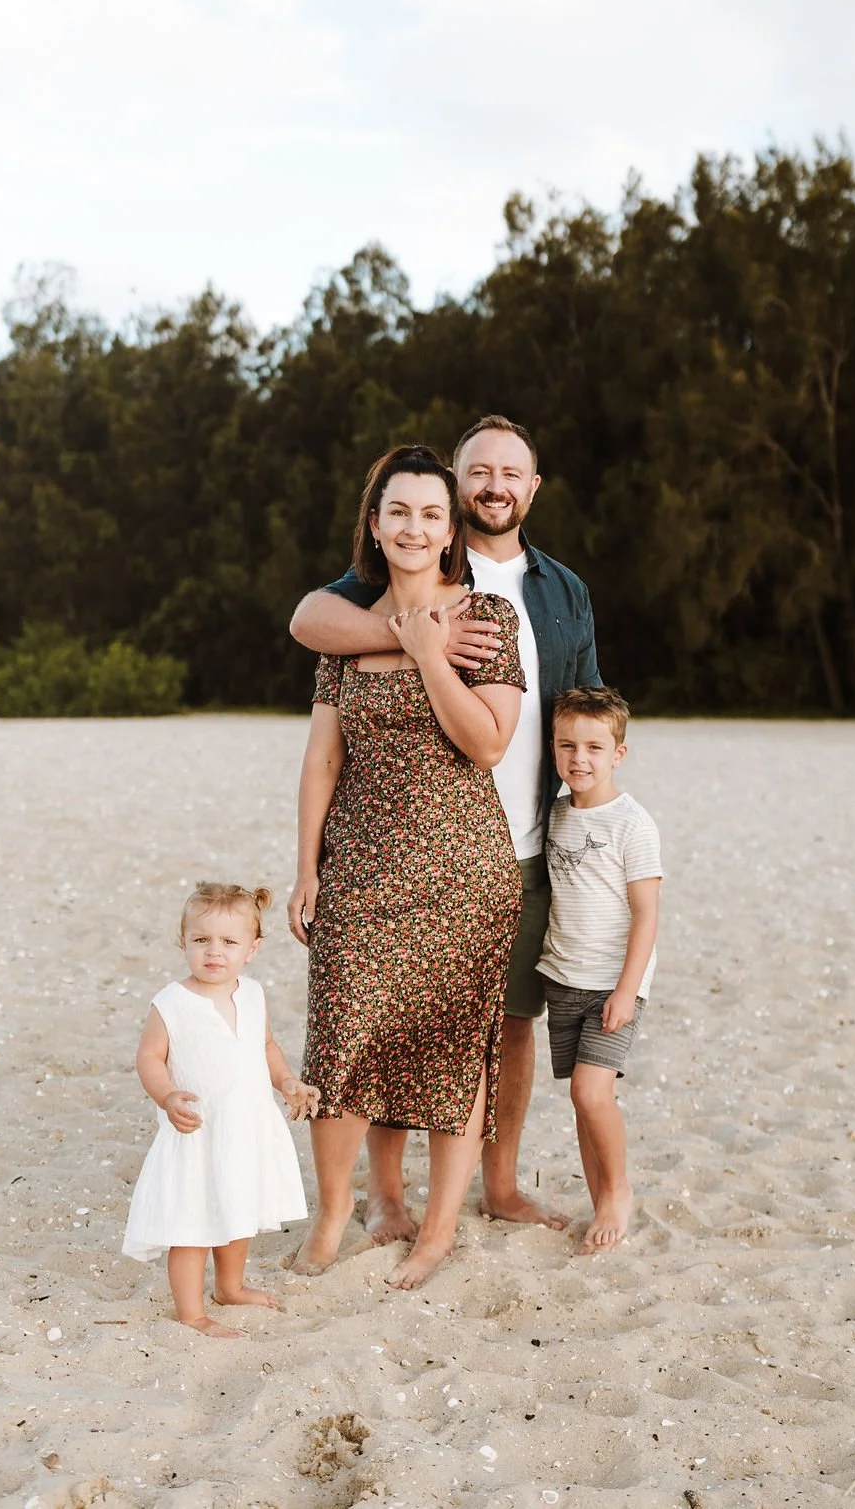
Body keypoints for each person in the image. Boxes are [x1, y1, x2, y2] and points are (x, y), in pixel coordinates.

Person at [289, 414, 601, 1239]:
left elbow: (581, 704)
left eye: (513, 472)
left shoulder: (561, 591)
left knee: (507, 1021)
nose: (495, 484)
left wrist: (604, 815)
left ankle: (499, 1185)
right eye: (480, 471)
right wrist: (415, 637)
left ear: (533, 487)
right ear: (455, 489)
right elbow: (308, 623)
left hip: (520, 839)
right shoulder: (381, 583)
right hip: (385, 847)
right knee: (391, 1017)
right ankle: (386, 1194)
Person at [288, 444, 525, 1290]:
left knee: (452, 1047)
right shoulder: (346, 625)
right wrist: (307, 864)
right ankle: (330, 1220)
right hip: (357, 863)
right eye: (400, 512)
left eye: (432, 513)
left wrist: (431, 655)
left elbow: (489, 742)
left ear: (451, 526)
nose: (416, 527)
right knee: (341, 1041)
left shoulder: (488, 621)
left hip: (463, 870)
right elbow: (321, 758)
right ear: (377, 524)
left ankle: (436, 1233)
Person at [123, 881, 320, 1337]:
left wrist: (287, 1082)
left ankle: (229, 1286)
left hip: (245, 1126)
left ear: (252, 949)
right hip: (198, 1130)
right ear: (183, 941)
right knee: (193, 1222)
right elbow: (149, 1057)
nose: (215, 952)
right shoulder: (172, 1002)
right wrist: (168, 1096)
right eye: (201, 940)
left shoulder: (253, 994)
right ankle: (192, 1312)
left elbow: (265, 1045)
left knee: (239, 1208)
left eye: (229, 942)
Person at [537, 687, 662, 1253]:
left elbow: (647, 914)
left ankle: (618, 1193)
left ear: (618, 753)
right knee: (581, 1098)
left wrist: (627, 991)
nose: (578, 759)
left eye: (593, 746)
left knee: (592, 1094)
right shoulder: (556, 814)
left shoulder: (631, 824)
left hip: (614, 986)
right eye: (567, 746)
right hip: (563, 976)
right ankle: (599, 1200)